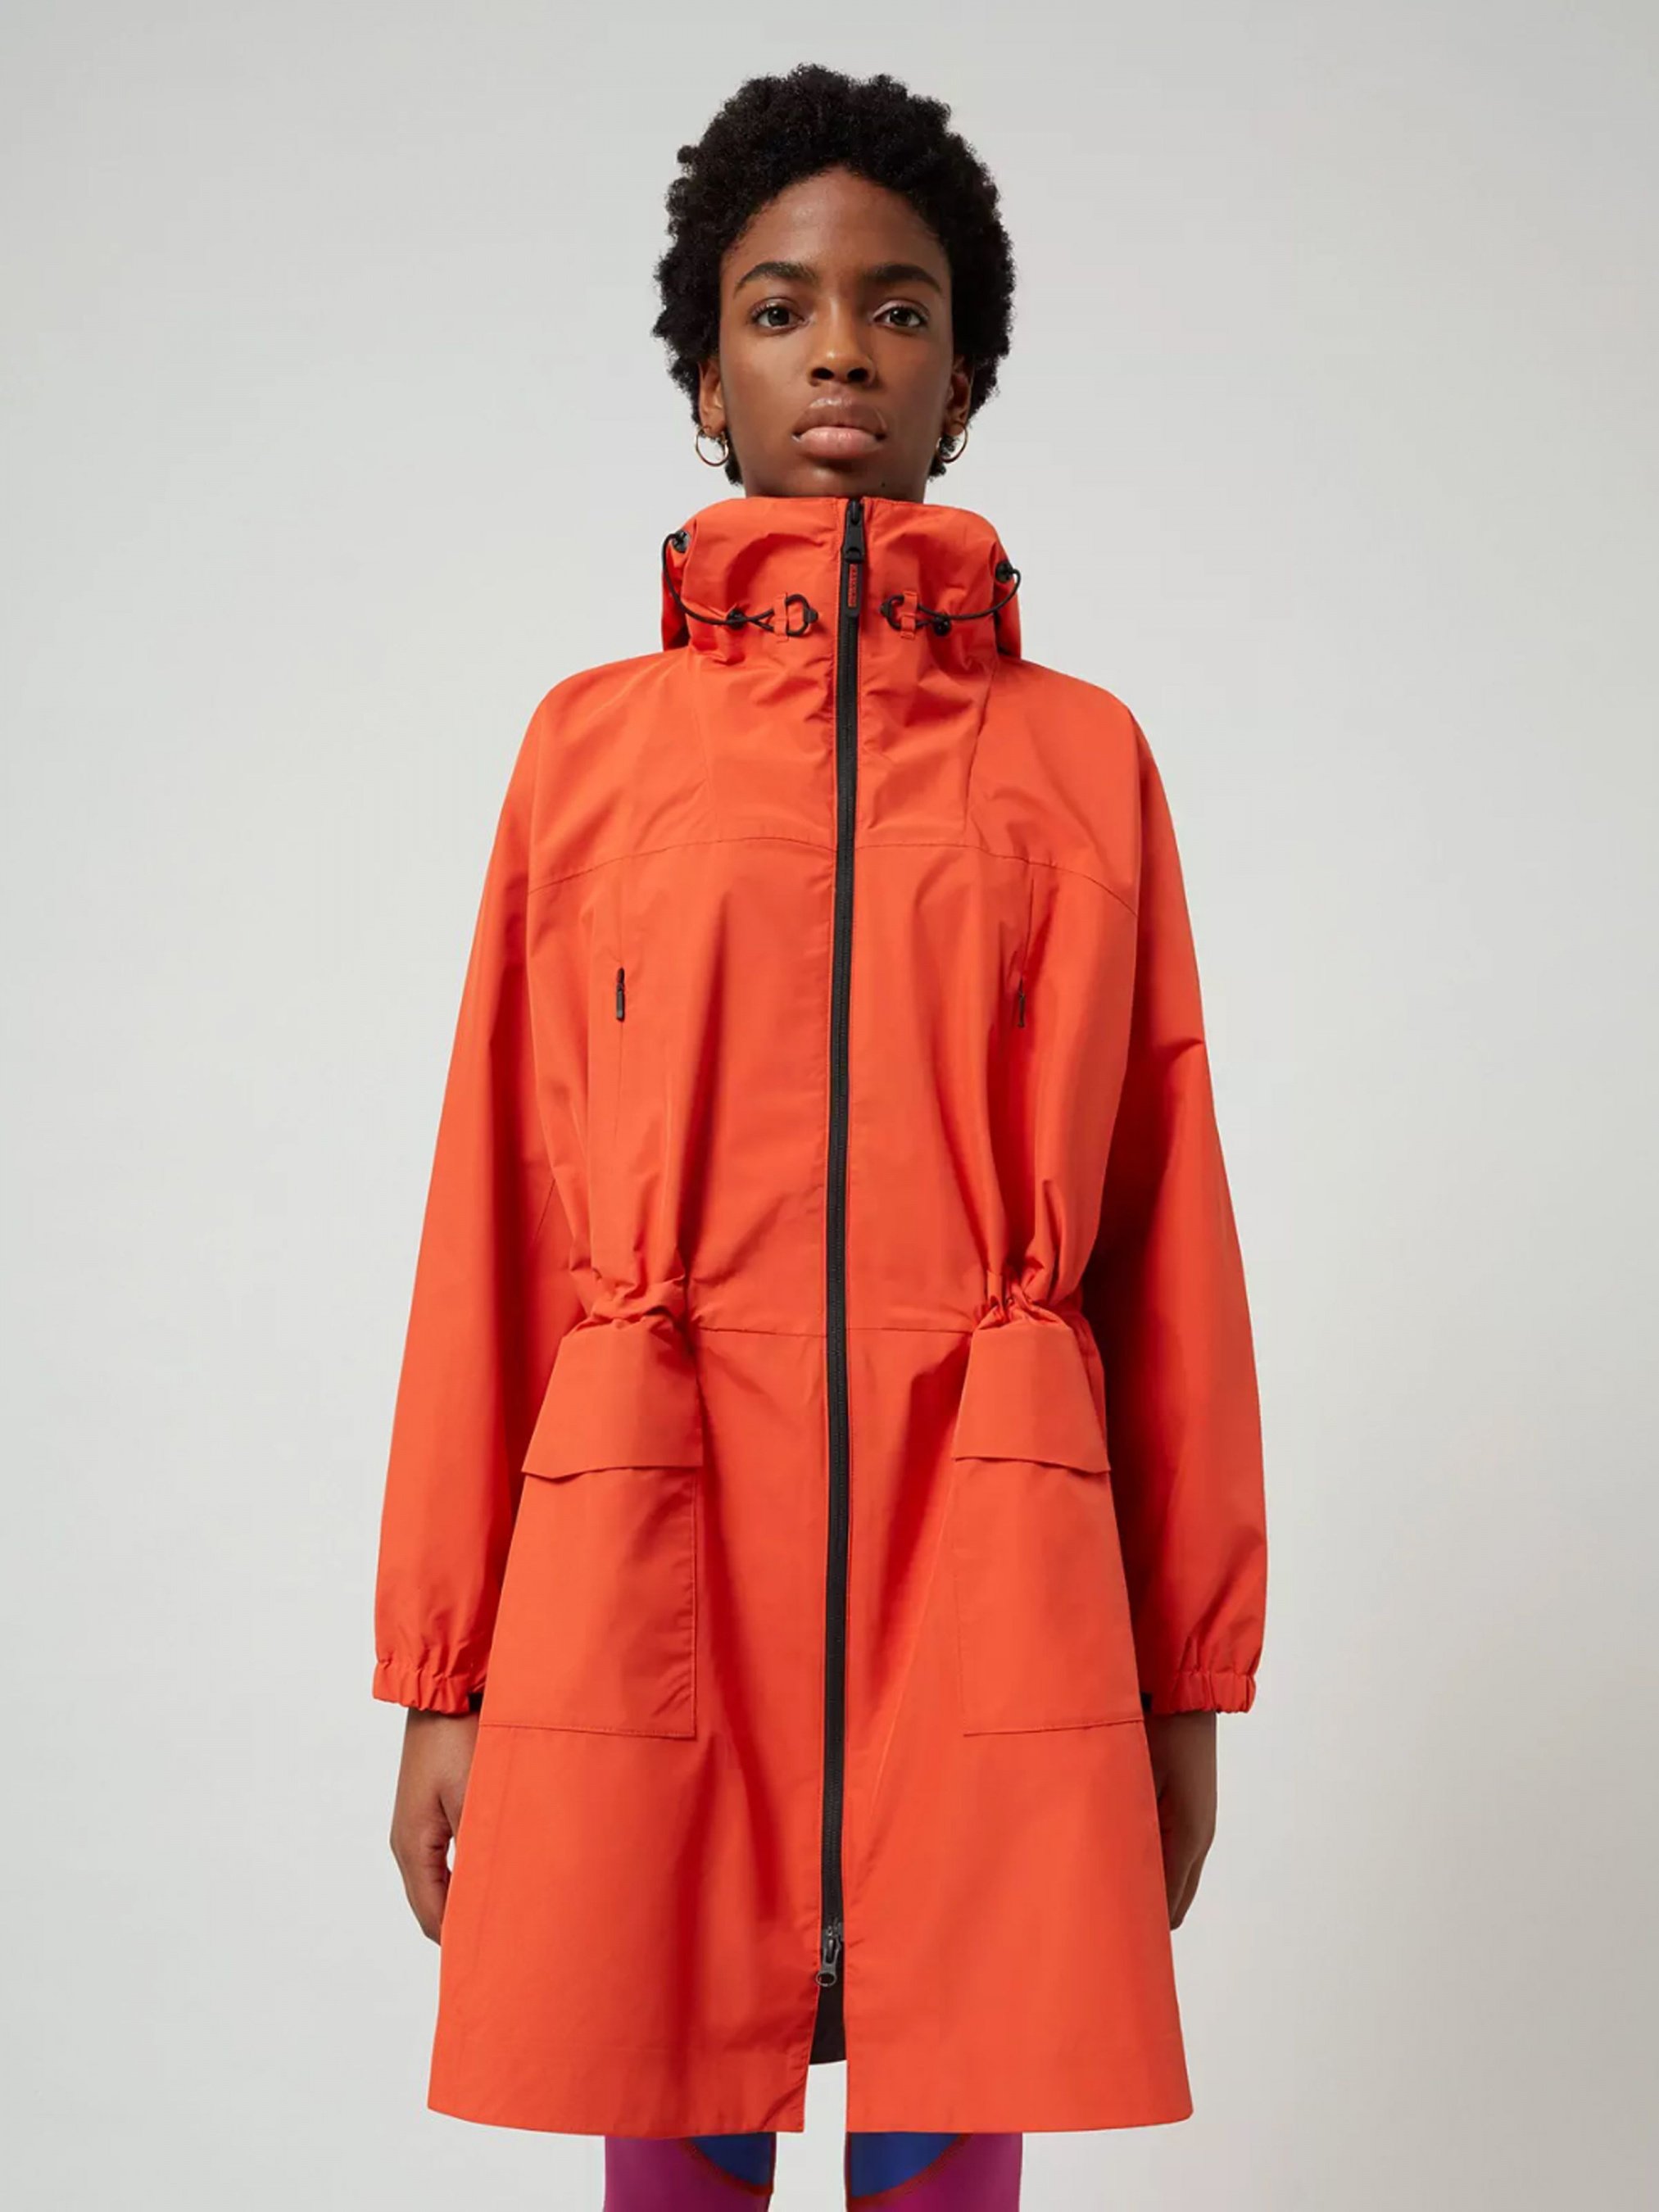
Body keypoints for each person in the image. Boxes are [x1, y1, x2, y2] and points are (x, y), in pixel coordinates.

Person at [374, 62, 1267, 2212]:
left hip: (999, 1552)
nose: (841, 350)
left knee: (961, 2101)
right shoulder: (588, 754)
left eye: (899, 307)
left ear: (967, 376)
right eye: (778, 309)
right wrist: (444, 1671)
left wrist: (1184, 1676)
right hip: (645, 1547)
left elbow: (1163, 1226)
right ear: (707, 379)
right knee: (662, 2082)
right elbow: (495, 1210)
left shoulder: (1082, 761)